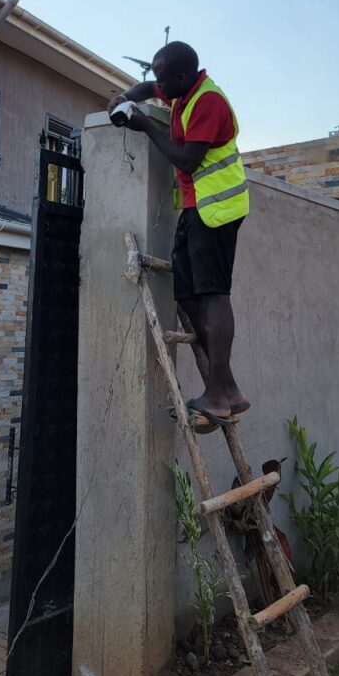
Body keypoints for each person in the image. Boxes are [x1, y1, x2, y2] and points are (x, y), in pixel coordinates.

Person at [108, 41, 249, 434]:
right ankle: (229, 389)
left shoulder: (208, 102)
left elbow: (188, 158)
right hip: (197, 207)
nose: (158, 86)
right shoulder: (180, 90)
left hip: (218, 210)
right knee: (187, 294)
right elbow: (145, 91)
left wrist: (145, 125)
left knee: (214, 294)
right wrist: (124, 97)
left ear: (183, 78)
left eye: (163, 79)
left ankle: (218, 395)